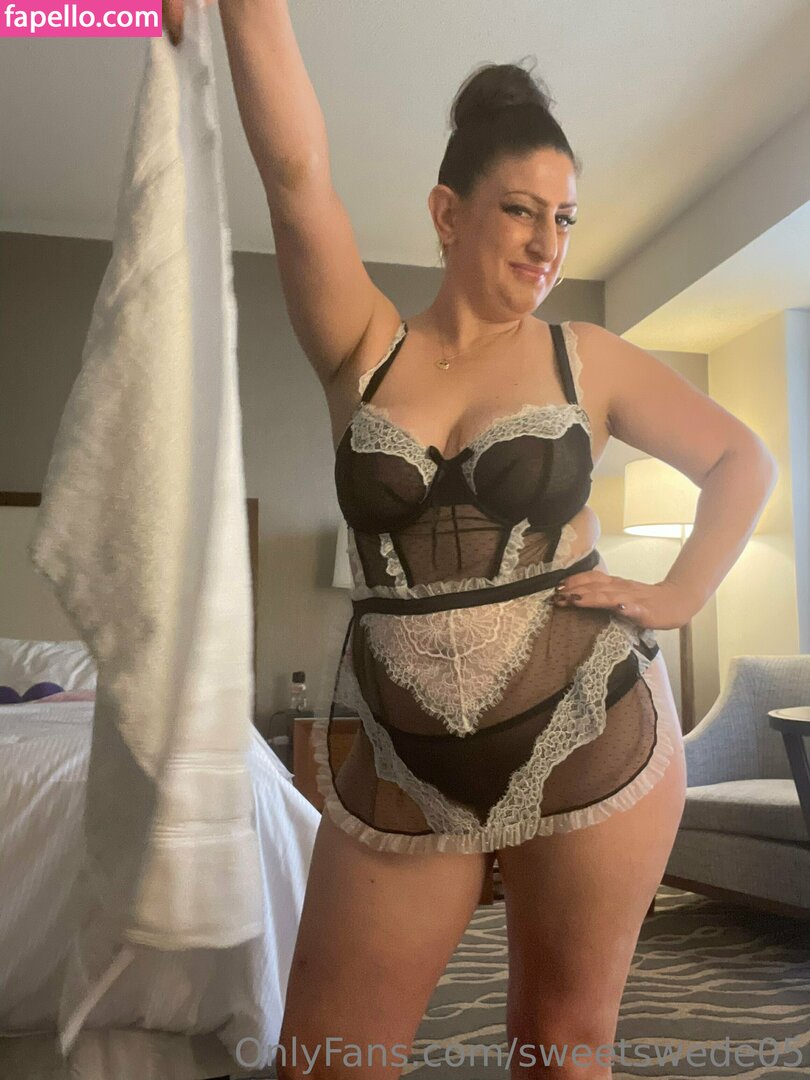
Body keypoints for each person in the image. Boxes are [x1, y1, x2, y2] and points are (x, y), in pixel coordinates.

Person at [166, 4, 778, 1077]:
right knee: (325, 1057)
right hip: (405, 761)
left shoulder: (586, 356)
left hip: (593, 731)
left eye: (565, 219)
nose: (548, 244)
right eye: (521, 211)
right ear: (448, 214)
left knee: (559, 1049)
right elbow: (296, 177)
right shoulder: (362, 344)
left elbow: (743, 459)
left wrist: (679, 595)